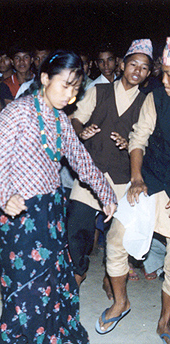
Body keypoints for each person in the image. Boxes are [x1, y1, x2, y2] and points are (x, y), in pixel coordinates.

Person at [0, 50, 117, 344]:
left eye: (76, 88)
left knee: (55, 281)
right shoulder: (15, 113)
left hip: (52, 211)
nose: (70, 95)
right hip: (20, 213)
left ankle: (55, 335)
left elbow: (81, 160)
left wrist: (105, 193)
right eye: (65, 85)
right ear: (44, 78)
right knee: (25, 285)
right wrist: (5, 196)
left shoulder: (60, 120)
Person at [96, 38, 170, 341]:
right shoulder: (157, 96)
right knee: (116, 238)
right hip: (151, 178)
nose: (164, 80)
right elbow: (139, 138)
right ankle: (120, 302)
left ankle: (166, 318)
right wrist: (137, 177)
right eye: (164, 73)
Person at [68, 39, 153, 289]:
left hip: (122, 178)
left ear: (149, 73)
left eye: (144, 67)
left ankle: (111, 276)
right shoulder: (99, 91)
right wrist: (81, 131)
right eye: (133, 64)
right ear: (122, 64)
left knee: (117, 235)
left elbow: (144, 141)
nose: (137, 70)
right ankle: (77, 272)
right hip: (91, 173)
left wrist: (130, 145)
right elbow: (76, 118)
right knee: (76, 225)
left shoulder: (146, 102)